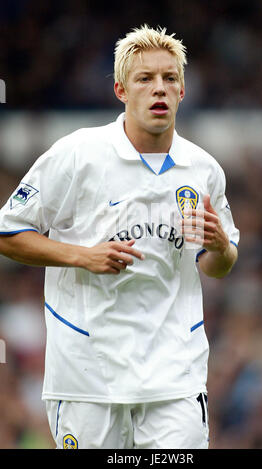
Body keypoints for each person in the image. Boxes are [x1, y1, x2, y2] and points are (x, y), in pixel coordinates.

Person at [0, 25, 239, 449]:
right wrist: (82, 256)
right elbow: (8, 232)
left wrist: (221, 246)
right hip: (87, 379)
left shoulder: (203, 170)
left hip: (174, 380)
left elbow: (217, 267)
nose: (158, 88)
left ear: (182, 91)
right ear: (120, 90)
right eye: (144, 79)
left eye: (169, 78)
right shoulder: (77, 155)